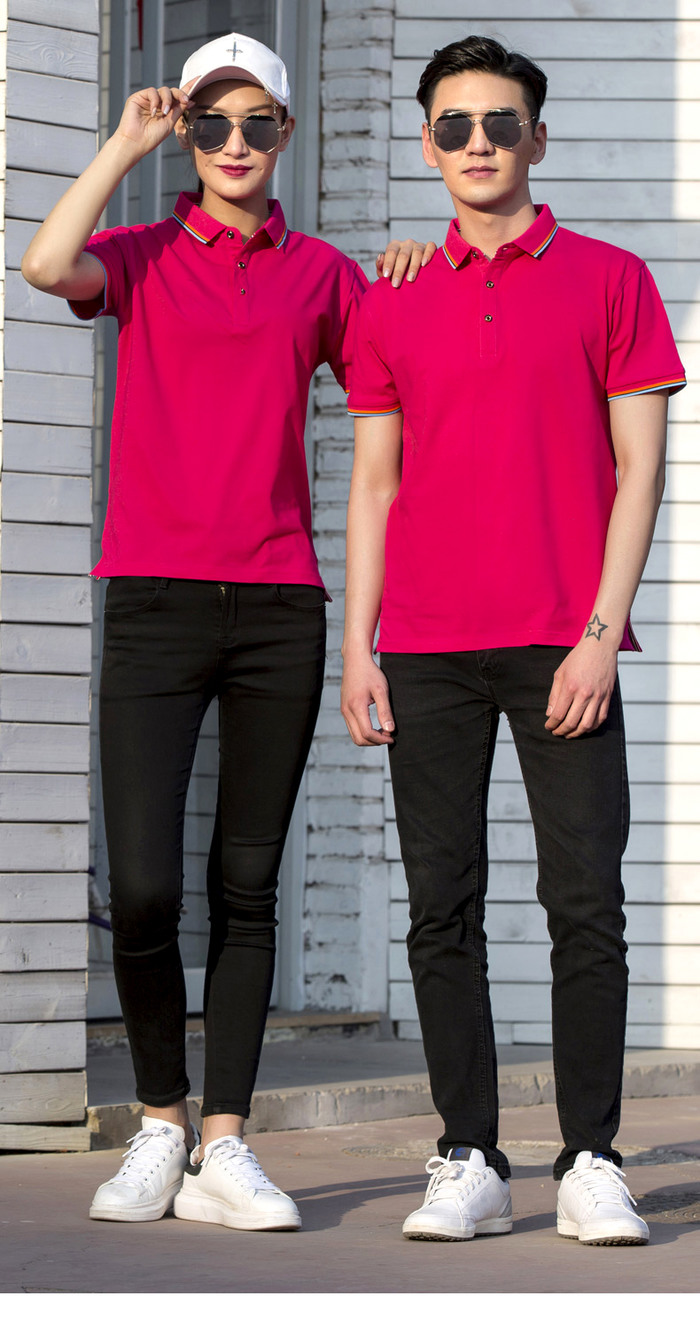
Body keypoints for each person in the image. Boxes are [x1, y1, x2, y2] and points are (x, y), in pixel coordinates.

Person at [22, 31, 433, 1232]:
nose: (235, 143)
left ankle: (223, 1143)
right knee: (146, 886)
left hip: (277, 607)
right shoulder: (141, 253)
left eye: (257, 123)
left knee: (245, 884)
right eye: (212, 123)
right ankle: (159, 1121)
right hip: (152, 598)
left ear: (287, 134)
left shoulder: (322, 276)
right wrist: (124, 144)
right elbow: (44, 265)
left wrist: (413, 269)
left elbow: (401, 391)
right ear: (189, 135)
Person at [341, 35, 685, 1246]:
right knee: (440, 904)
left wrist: (599, 633)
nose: (476, 143)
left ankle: (590, 1156)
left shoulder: (611, 279)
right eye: (453, 125)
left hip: (560, 642)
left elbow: (641, 470)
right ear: (426, 143)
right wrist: (358, 645)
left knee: (585, 902)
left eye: (498, 123)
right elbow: (373, 483)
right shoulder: (389, 295)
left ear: (537, 138)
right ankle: (469, 1156)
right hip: (426, 647)